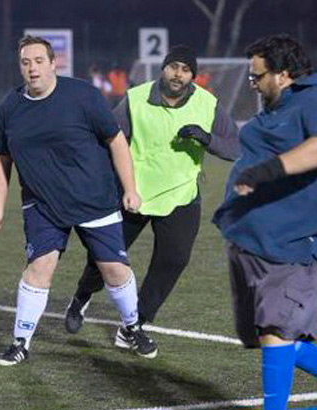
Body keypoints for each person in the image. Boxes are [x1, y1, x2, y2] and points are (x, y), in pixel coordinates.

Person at [211, 35, 317, 410]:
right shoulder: (273, 109)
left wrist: (267, 170)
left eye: (257, 76)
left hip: (300, 243)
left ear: (282, 75)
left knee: (276, 330)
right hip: (254, 241)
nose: (252, 83)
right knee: (271, 334)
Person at [0, 35, 158, 366]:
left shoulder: (83, 95)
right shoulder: (10, 106)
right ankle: (20, 342)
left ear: (54, 64)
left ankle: (132, 327)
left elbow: (116, 140)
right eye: (26, 62)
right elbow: (0, 156)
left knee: (113, 269)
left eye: (39, 61)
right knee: (39, 267)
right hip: (43, 204)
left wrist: (130, 188)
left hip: (93, 197)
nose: (32, 68)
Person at [64, 46, 240, 340]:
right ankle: (82, 296)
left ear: (193, 76)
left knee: (174, 260)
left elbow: (235, 147)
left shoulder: (208, 104)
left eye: (185, 70)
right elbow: (109, 137)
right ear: (163, 68)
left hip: (181, 195)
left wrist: (207, 138)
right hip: (133, 193)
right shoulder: (136, 99)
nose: (178, 74)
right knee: (104, 256)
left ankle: (135, 323)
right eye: (173, 67)